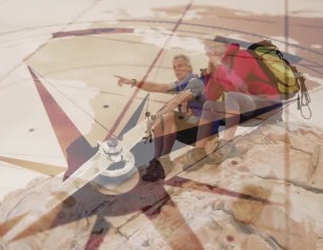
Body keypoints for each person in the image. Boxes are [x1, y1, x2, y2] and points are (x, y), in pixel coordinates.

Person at [184, 37, 283, 171]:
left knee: (232, 95)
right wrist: (210, 71)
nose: (212, 51)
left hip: (269, 107)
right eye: (209, 49)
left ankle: (227, 145)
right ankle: (199, 152)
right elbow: (211, 96)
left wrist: (218, 65)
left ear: (225, 46)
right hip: (248, 109)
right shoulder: (221, 65)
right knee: (210, 106)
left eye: (215, 47)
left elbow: (239, 86)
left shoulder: (242, 56)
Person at [115, 54, 205, 181]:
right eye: (174, 67)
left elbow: (175, 102)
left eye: (180, 66)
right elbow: (157, 87)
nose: (177, 70)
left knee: (167, 115)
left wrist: (154, 117)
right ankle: (158, 160)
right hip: (190, 129)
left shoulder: (195, 82)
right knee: (162, 118)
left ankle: (165, 161)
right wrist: (134, 82)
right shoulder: (181, 84)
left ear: (189, 67)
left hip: (203, 131)